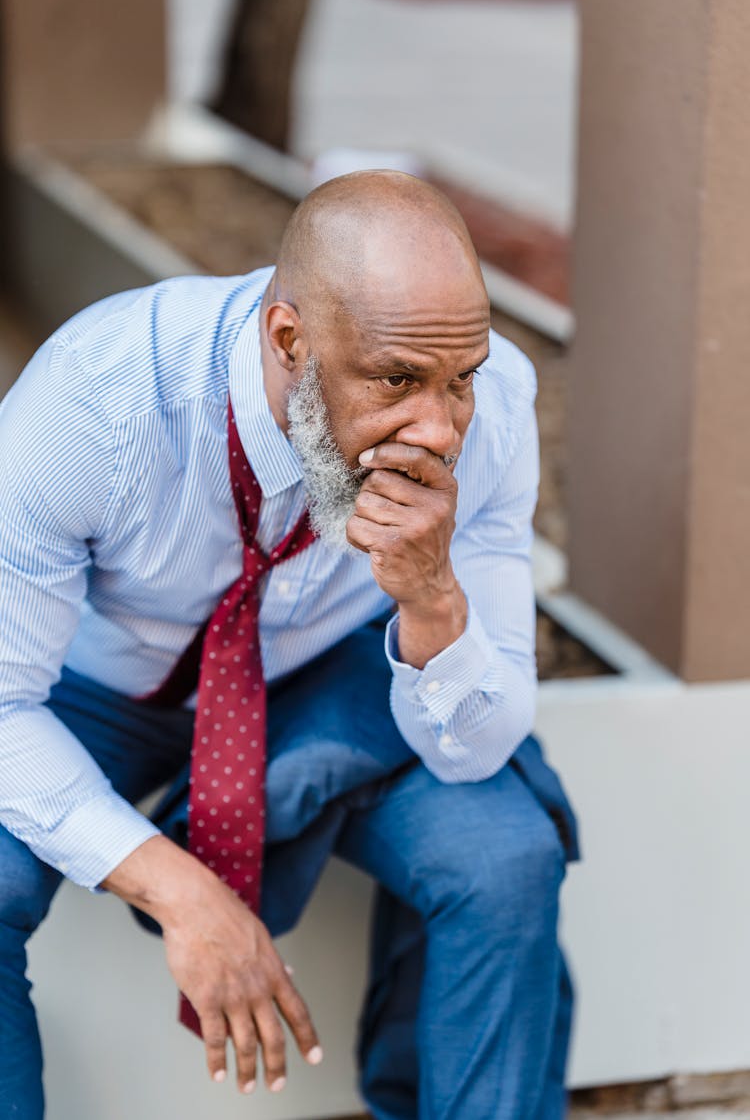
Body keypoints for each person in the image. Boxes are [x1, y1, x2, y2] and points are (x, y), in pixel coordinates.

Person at [0, 170, 577, 1120]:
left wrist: (432, 597)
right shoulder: (94, 403)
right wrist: (183, 894)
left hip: (319, 672)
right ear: (289, 339)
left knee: (505, 854)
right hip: (88, 686)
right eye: (397, 380)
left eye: (457, 380)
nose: (437, 428)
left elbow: (479, 739)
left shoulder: (498, 403)